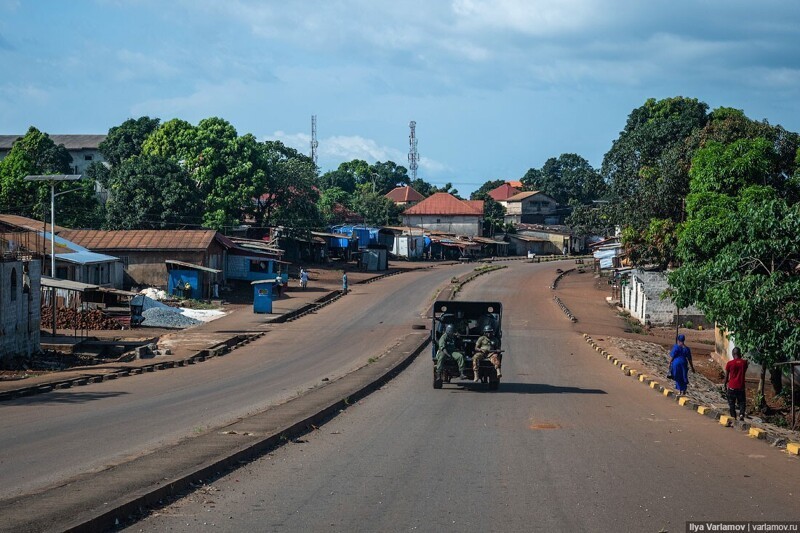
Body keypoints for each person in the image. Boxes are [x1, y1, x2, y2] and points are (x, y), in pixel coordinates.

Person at [724, 347, 749, 421]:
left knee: (731, 403)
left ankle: (734, 416)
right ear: (740, 353)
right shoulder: (744, 363)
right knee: (742, 402)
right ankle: (741, 414)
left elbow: (726, 376)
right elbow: (744, 370)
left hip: (731, 387)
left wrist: (725, 384)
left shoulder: (729, 363)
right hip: (741, 387)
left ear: (733, 354)